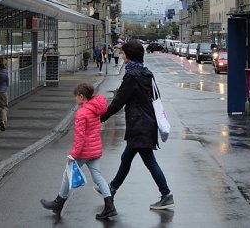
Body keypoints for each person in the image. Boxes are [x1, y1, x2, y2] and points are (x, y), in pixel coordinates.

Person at [99, 42, 174, 210]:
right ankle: (111, 189)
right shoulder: (146, 73)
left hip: (139, 124)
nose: (122, 56)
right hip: (145, 123)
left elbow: (119, 101)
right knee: (127, 158)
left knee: (148, 161)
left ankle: (166, 194)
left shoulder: (131, 76)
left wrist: (101, 118)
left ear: (129, 55)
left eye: (123, 53)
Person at [41, 83, 116, 220]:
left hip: (84, 151)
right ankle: (110, 205)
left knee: (67, 174)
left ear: (82, 97)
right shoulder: (95, 109)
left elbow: (80, 137)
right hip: (95, 149)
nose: (75, 99)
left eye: (76, 96)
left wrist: (73, 154)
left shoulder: (82, 113)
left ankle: (59, 202)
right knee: (98, 177)